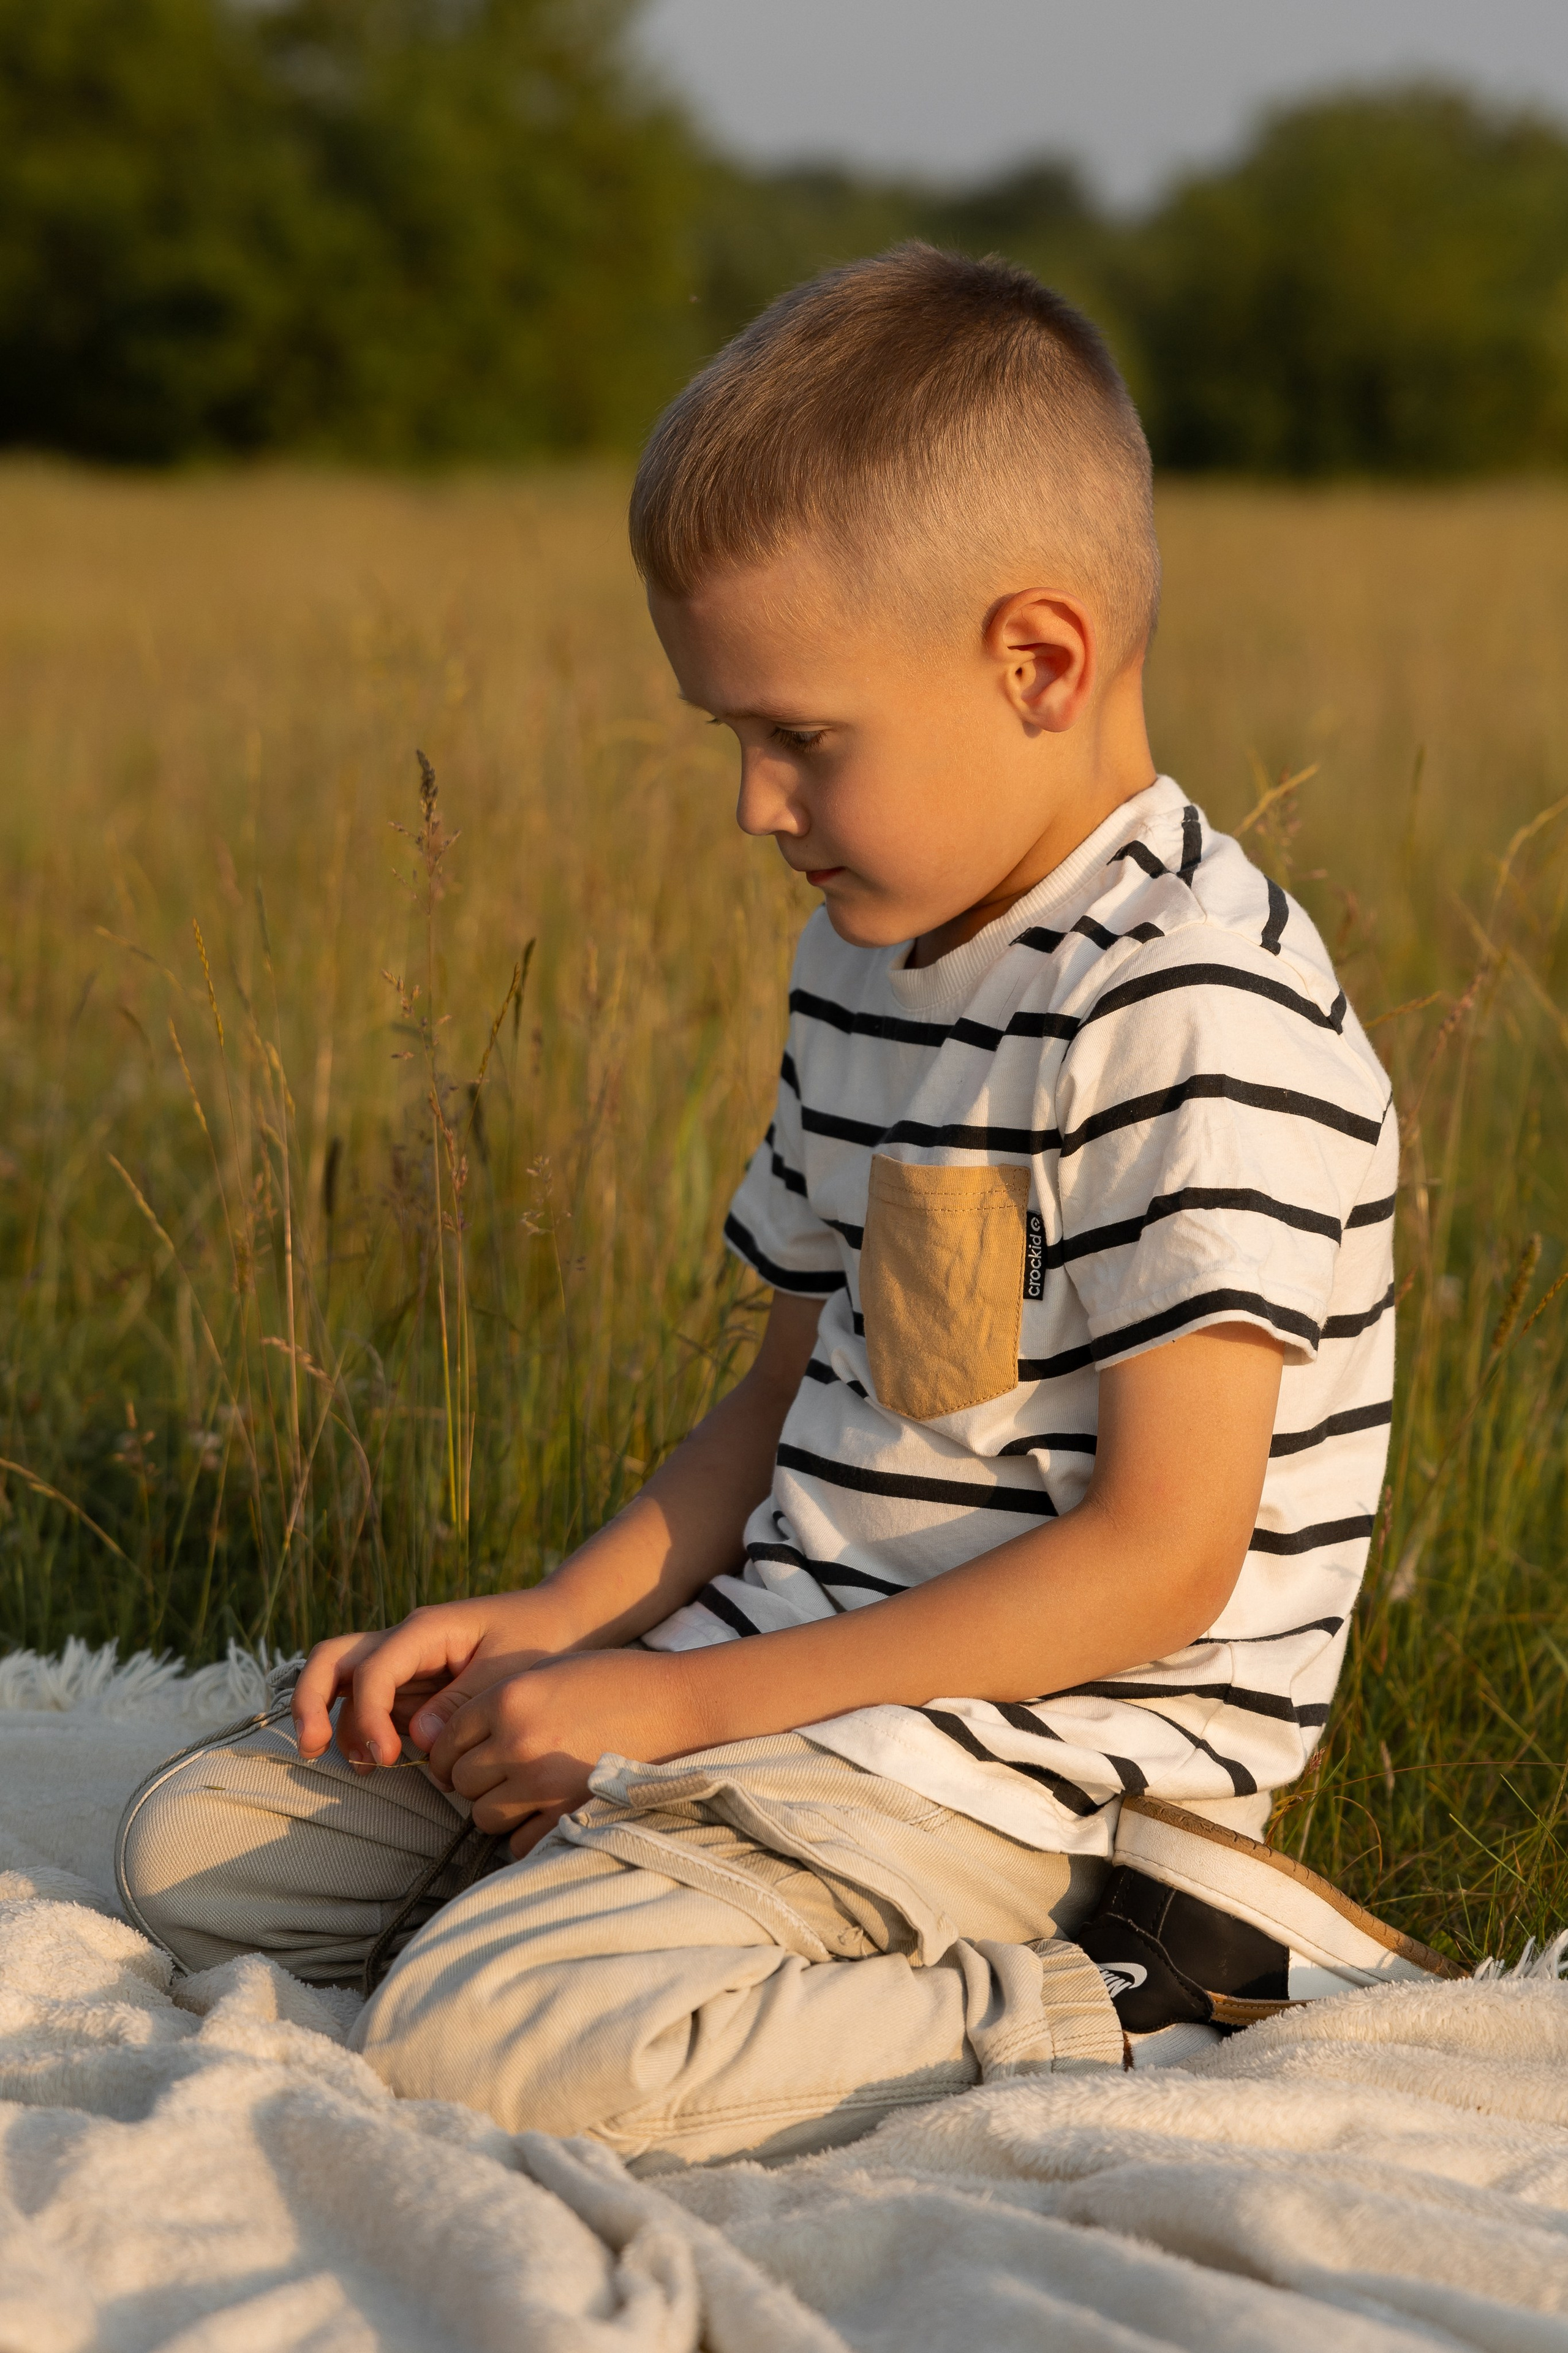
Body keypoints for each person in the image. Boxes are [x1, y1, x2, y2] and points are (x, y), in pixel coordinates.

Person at [118, 245, 1457, 2168]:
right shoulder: (878, 959)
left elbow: (1164, 1557)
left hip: (1020, 1766)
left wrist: (667, 1717)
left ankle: (1154, 1984)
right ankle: (618, 1905)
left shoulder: (1193, 1010)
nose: (755, 805)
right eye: (731, 739)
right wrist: (555, 1628)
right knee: (204, 1852)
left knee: (477, 2043)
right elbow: (779, 1413)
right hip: (779, 1690)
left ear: (1039, 662)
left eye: (800, 738)